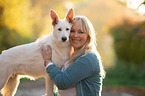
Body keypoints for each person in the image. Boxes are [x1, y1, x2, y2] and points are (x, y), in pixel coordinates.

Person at [41, 16, 105, 96]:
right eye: (72, 31)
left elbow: (62, 82)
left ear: (88, 36)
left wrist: (48, 61)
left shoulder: (88, 58)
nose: (75, 35)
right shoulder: (72, 56)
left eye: (81, 32)